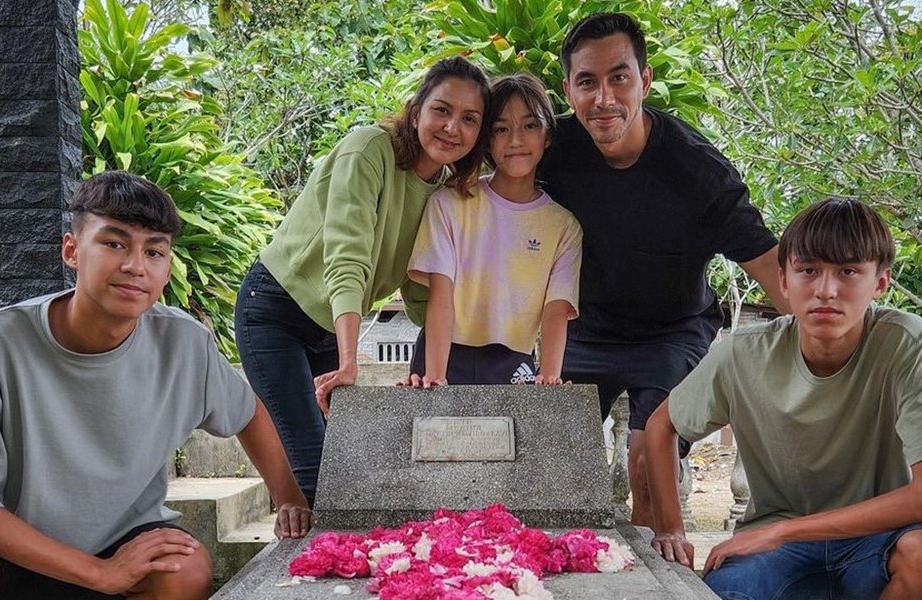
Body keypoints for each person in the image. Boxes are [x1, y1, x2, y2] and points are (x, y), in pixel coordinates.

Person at [0, 171, 311, 600]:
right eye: (114, 244)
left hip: (124, 544)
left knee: (183, 569)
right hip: (11, 555)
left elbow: (247, 411)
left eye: (154, 252)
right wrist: (98, 573)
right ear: (72, 250)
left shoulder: (184, 344)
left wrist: (289, 497)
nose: (135, 266)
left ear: (167, 267)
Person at [536, 12, 791, 526]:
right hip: (584, 331)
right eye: (587, 82)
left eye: (619, 77)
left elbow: (771, 266)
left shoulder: (697, 170)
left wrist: (836, 354)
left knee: (646, 468)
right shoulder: (552, 150)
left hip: (673, 333)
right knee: (548, 467)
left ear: (645, 80)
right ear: (568, 90)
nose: (604, 98)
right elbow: (487, 201)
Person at [646, 198, 922, 600]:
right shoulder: (744, 352)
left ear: (880, 282)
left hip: (876, 538)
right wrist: (670, 528)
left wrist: (783, 529)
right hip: (775, 551)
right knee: (725, 591)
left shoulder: (902, 340)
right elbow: (661, 425)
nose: (826, 290)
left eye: (848, 271)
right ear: (783, 280)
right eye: (809, 271)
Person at [233, 56, 492, 505]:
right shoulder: (369, 148)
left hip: (329, 327)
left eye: (469, 119)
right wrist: (351, 363)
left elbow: (422, 292)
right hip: (276, 310)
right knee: (317, 473)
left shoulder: (444, 191)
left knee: (345, 468)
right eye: (442, 110)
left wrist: (455, 364)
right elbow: (347, 256)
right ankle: (304, 555)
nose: (452, 127)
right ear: (416, 110)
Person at [403, 73, 582, 387]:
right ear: (486, 138)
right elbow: (441, 296)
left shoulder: (564, 227)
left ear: (548, 135)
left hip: (514, 362)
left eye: (530, 126)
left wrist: (550, 378)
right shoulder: (450, 202)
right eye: (501, 129)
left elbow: (556, 309)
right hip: (444, 355)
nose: (516, 140)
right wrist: (435, 377)